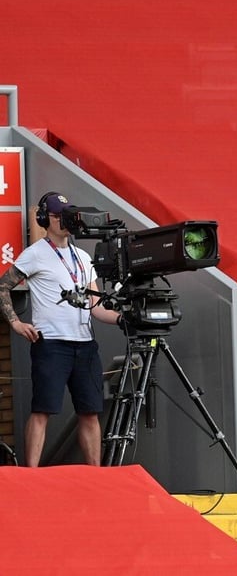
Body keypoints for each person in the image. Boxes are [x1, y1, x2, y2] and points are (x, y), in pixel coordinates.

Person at [0, 192, 121, 467]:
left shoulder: (83, 256)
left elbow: (95, 305)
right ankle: (30, 475)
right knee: (43, 410)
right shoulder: (34, 254)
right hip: (51, 344)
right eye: (57, 216)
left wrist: (122, 319)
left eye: (66, 215)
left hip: (85, 345)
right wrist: (16, 323)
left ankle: (96, 474)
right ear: (45, 219)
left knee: (90, 412)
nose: (63, 220)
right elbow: (3, 285)